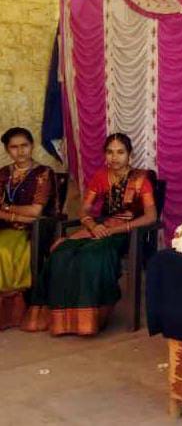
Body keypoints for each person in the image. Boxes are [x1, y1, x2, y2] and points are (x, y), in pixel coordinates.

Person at [22, 133, 157, 335]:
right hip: (99, 227)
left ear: (130, 155)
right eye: (110, 152)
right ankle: (63, 320)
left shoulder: (141, 180)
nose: (114, 157)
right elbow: (84, 209)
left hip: (128, 232)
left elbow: (150, 217)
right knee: (62, 253)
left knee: (92, 256)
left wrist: (113, 230)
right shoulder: (101, 176)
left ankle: (90, 318)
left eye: (120, 152)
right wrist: (92, 226)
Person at [0, 128, 53, 330]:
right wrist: (15, 215)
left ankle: (10, 313)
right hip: (5, 227)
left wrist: (6, 210)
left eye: (24, 145)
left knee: (3, 251)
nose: (20, 151)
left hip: (32, 231)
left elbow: (36, 211)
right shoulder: (3, 173)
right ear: (7, 150)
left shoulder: (43, 173)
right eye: (14, 147)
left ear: (32, 146)